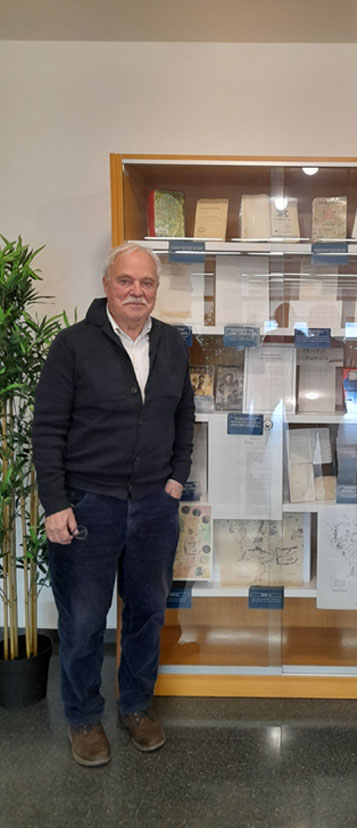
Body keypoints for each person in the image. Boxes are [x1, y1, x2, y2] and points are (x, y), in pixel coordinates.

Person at [32, 243, 194, 767]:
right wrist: (55, 503)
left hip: (153, 507)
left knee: (147, 614)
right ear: (107, 284)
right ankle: (82, 717)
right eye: (126, 281)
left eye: (146, 283)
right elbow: (48, 428)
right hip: (88, 506)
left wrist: (176, 478)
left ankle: (136, 708)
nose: (136, 291)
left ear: (155, 290)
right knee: (81, 621)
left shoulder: (171, 343)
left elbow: (184, 418)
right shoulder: (72, 346)